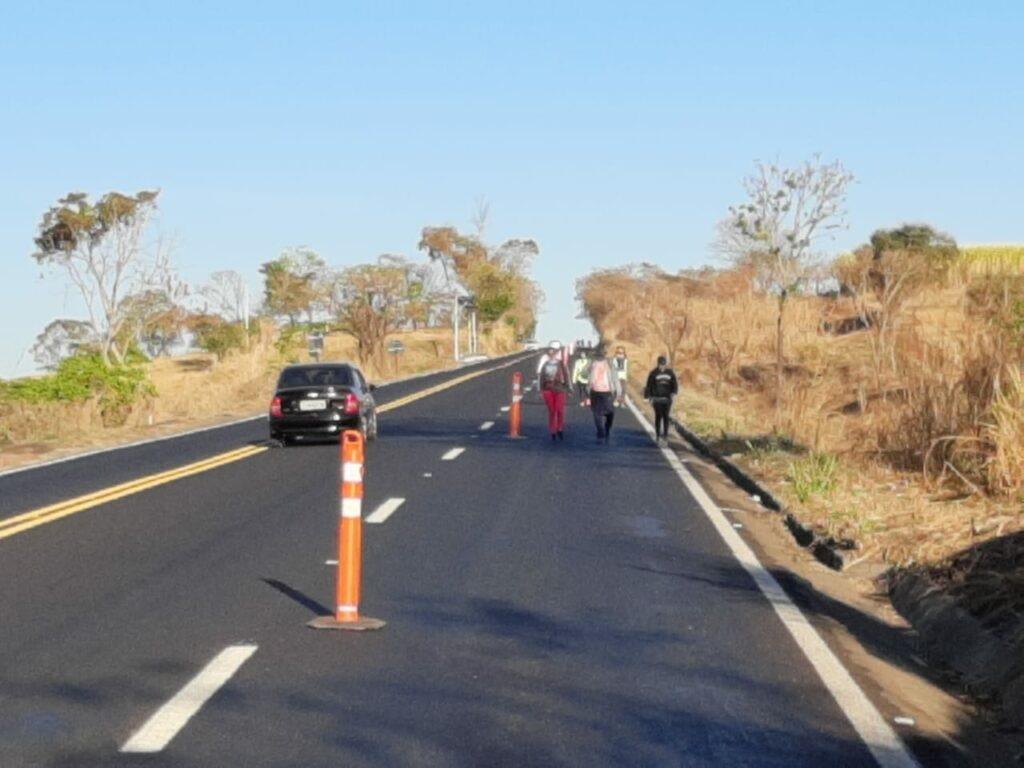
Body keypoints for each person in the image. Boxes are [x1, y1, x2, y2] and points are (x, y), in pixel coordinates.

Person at [586, 344, 621, 443]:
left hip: (608, 391)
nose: (602, 355)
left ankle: (606, 428)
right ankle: (601, 432)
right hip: (594, 390)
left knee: (610, 412)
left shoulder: (609, 363)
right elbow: (585, 372)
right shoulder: (592, 362)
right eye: (601, 353)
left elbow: (615, 377)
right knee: (596, 413)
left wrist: (618, 391)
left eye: (604, 353)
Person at [538, 341, 571, 441]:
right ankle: (553, 431)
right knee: (552, 411)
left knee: (559, 410)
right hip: (548, 389)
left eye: (554, 351)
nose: (552, 353)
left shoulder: (561, 364)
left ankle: (559, 428)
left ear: (557, 352)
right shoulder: (545, 364)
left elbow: (566, 376)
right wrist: (540, 390)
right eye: (550, 351)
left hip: (560, 389)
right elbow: (541, 377)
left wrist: (569, 388)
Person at [643, 355, 679, 442]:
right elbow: (649, 385)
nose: (662, 366)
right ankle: (658, 434)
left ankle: (665, 435)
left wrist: (673, 393)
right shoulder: (653, 373)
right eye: (660, 364)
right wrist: (647, 397)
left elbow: (674, 384)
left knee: (666, 416)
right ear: (658, 364)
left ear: (665, 364)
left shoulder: (670, 373)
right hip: (656, 398)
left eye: (663, 364)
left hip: (667, 399)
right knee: (658, 416)